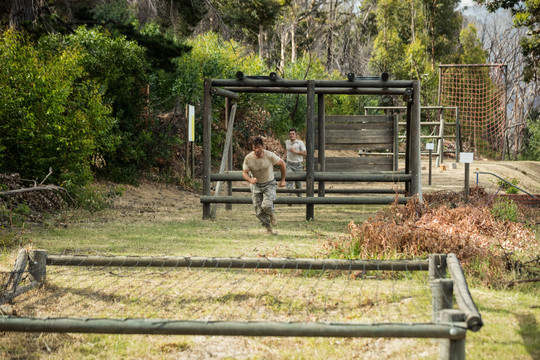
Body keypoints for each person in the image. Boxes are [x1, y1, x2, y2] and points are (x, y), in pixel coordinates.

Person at [243, 137, 286, 235]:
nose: (256, 150)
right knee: (259, 211)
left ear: (262, 146)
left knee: (266, 205)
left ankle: (271, 213)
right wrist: (250, 180)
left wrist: (283, 180)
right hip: (256, 185)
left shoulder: (269, 155)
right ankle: (269, 229)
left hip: (269, 184)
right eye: (254, 148)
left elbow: (282, 164)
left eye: (258, 147)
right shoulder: (248, 158)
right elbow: (244, 172)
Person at [282, 128, 307, 198]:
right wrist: (281, 159)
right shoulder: (287, 142)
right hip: (289, 164)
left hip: (298, 165)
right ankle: (289, 197)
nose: (291, 135)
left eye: (293, 134)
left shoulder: (300, 143)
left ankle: (299, 197)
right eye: (290, 134)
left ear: (296, 135)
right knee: (289, 180)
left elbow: (305, 153)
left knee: (298, 183)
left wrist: (296, 151)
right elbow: (286, 151)